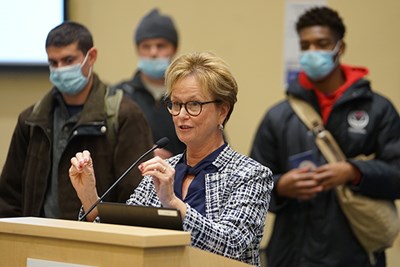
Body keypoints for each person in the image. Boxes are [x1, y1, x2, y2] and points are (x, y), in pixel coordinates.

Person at [70, 51, 274, 266]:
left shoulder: (250, 174)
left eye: (194, 104)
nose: (181, 115)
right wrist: (89, 196)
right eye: (176, 104)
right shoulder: (162, 170)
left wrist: (173, 204)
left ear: (222, 111)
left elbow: (231, 246)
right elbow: (122, 234)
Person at [250, 6, 400, 267]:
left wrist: (354, 172)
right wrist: (281, 186)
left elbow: (397, 174)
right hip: (291, 255)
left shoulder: (378, 109)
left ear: (339, 47)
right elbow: (252, 186)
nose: (312, 53)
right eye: (305, 45)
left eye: (322, 44)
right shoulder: (278, 116)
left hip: (355, 255)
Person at [0, 21, 153, 220]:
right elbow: (9, 197)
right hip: (38, 242)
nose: (60, 69)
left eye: (68, 60)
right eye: (53, 63)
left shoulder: (124, 115)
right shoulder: (31, 120)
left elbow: (136, 199)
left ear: (91, 57)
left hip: (98, 243)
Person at [113, 8, 185, 159]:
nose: (153, 53)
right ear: (137, 49)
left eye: (160, 46)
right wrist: (141, 152)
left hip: (184, 180)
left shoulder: (189, 94)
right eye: (146, 46)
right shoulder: (119, 95)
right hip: (134, 181)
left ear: (174, 48)